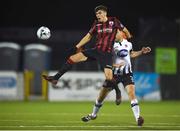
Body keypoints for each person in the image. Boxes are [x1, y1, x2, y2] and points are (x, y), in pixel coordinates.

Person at [42, 5, 132, 103]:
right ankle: (55, 78)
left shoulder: (114, 21)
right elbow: (88, 37)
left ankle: (118, 92)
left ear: (105, 13)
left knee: (109, 78)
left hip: (106, 53)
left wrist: (127, 38)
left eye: (100, 13)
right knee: (72, 58)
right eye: (96, 13)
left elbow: (125, 30)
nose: (98, 15)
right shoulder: (96, 24)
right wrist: (76, 47)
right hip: (96, 51)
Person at [81, 35, 151, 126]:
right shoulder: (109, 45)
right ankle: (93, 115)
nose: (113, 34)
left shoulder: (128, 44)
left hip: (127, 74)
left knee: (131, 94)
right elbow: (105, 59)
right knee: (101, 96)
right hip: (114, 75)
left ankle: (138, 118)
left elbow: (131, 54)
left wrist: (141, 52)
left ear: (121, 33)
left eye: (116, 32)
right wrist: (114, 65)